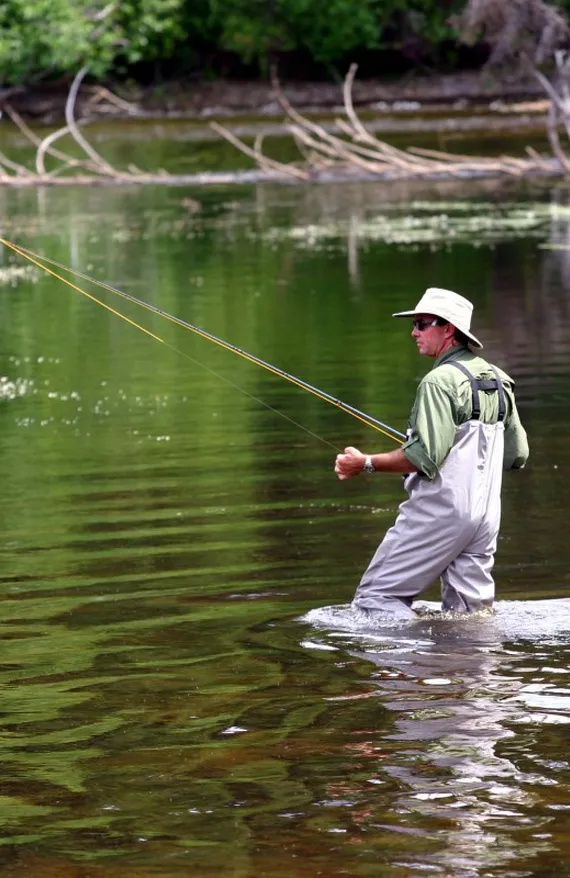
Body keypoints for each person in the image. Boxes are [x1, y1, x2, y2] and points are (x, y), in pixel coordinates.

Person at [334, 287, 529, 618]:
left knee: (375, 599)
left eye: (422, 324)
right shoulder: (499, 379)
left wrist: (363, 464)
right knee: (470, 616)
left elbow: (422, 458)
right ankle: (472, 668)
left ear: (448, 329)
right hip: (485, 517)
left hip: (441, 512)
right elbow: (517, 454)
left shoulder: (438, 382)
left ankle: (409, 668)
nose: (414, 332)